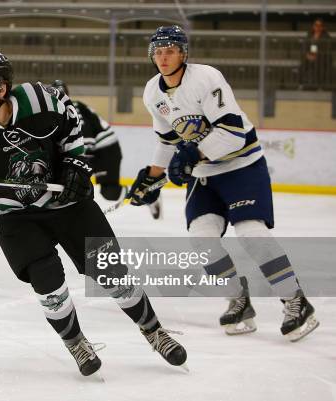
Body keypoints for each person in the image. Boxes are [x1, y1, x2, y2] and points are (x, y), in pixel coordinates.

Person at [0, 52, 187, 376]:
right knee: (47, 280)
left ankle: (154, 331)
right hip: (16, 216)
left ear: (2, 89)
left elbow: (73, 126)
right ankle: (76, 341)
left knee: (111, 272)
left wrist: (76, 164)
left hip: (69, 204)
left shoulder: (40, 99)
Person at [127, 26, 319, 341]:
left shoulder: (206, 78)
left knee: (250, 233)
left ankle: (296, 301)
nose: (164, 57)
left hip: (241, 165)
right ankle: (238, 300)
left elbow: (233, 132)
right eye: (158, 51)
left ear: (183, 53)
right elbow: (167, 138)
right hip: (204, 175)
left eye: (170, 50)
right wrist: (152, 175)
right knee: (202, 240)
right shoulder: (152, 92)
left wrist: (191, 153)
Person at [49, 79, 162, 219]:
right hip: (96, 152)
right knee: (106, 192)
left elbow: (85, 139)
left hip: (106, 150)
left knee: (108, 191)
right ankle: (143, 193)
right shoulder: (58, 112)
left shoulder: (73, 109)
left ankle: (146, 194)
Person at [299, 18, 332, 90]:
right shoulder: (309, 35)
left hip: (322, 58)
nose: (318, 27)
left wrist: (316, 55)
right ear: (313, 26)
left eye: (320, 25)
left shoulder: (326, 37)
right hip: (310, 57)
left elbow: (327, 49)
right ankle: (303, 84)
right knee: (303, 65)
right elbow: (304, 46)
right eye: (316, 25)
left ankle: (319, 85)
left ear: (323, 27)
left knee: (318, 64)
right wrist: (307, 55)